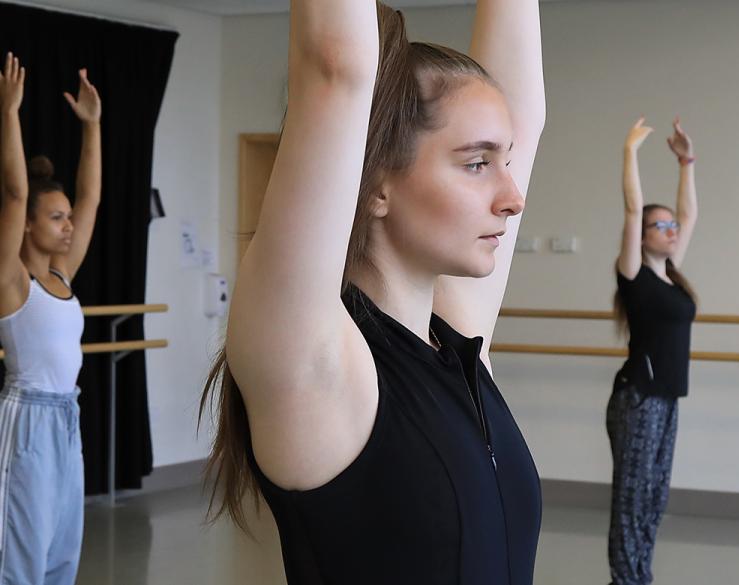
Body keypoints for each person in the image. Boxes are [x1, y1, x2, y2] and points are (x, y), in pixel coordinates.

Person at [199, 0, 547, 582]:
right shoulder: (316, 367)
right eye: (477, 163)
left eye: (505, 161)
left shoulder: (457, 343)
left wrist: (505, 145)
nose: (514, 196)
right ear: (376, 183)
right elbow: (336, 65)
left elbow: (525, 113)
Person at [0, 53, 103, 585]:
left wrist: (92, 127)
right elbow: (16, 192)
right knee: (22, 556)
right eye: (55, 218)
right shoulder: (12, 282)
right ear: (26, 226)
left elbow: (90, 198)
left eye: (67, 219)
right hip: (27, 423)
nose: (68, 227)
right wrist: (9, 113)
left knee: (63, 551)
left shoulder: (62, 277)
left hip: (67, 418)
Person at [608, 116, 699, 585]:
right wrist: (630, 152)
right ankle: (626, 579)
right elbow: (631, 208)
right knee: (632, 496)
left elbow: (692, 214)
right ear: (643, 236)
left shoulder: (672, 276)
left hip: (667, 400)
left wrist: (686, 162)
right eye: (659, 225)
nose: (670, 229)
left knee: (654, 497)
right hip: (638, 398)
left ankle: (640, 574)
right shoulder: (634, 273)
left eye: (671, 225)